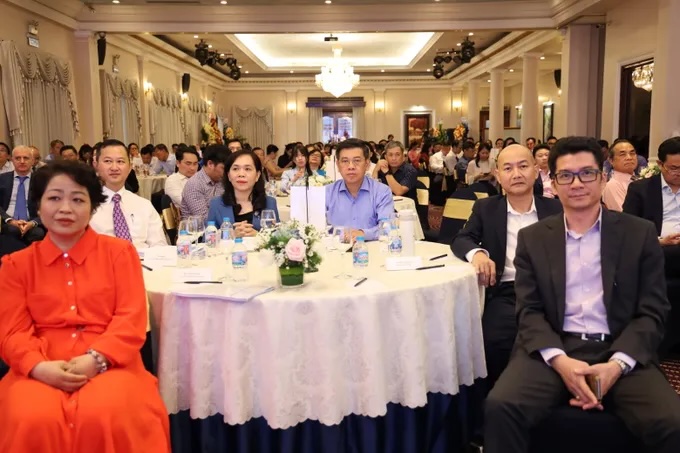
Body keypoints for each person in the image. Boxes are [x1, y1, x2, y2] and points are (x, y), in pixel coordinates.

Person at [484, 136, 680, 453]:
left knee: (672, 422)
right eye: (566, 175)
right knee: (501, 407)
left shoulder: (638, 233)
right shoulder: (533, 238)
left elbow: (653, 311)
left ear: (602, 178)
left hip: (621, 345)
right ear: (553, 183)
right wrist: (560, 361)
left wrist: (616, 365)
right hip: (554, 347)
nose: (577, 183)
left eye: (587, 173)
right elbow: (529, 311)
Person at [0, 160, 170, 452]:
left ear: (92, 208)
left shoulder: (120, 253)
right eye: (54, 198)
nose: (65, 208)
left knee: (107, 412)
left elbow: (130, 318)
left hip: (112, 362)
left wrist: (98, 358)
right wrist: (37, 366)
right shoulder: (16, 265)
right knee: (32, 416)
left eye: (78, 199)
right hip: (39, 363)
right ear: (38, 206)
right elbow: (12, 331)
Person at [453, 144, 562, 395]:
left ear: (535, 170)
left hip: (550, 293)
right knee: (494, 343)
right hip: (506, 292)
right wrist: (478, 253)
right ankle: (499, 401)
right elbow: (461, 239)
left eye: (523, 166)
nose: (517, 174)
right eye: (508, 168)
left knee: (556, 341)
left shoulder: (555, 209)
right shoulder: (487, 209)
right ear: (498, 175)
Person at [623, 136, 680, 354]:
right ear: (661, 165)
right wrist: (660, 241)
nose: (679, 173)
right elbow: (628, 230)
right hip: (656, 249)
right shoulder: (641, 189)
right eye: (674, 168)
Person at [89, 139, 166, 250]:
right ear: (96, 166)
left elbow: (159, 246)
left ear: (130, 167)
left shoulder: (144, 205)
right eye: (108, 161)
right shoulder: (86, 206)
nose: (114, 167)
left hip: (142, 260)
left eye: (120, 161)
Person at [325, 138, 394, 241]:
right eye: (345, 161)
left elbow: (387, 227)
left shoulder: (382, 191)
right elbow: (317, 228)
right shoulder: (327, 192)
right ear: (338, 165)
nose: (351, 166)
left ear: (367, 164)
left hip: (372, 248)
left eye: (357, 161)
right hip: (335, 248)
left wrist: (363, 234)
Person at [207, 149, 278, 236]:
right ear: (229, 175)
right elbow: (207, 239)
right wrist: (230, 235)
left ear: (257, 175)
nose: (241, 174)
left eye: (247, 169)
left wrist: (259, 235)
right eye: (235, 169)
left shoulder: (269, 202)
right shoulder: (216, 204)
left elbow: (278, 238)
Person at [0, 145, 46, 245]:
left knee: (38, 233)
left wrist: (32, 223)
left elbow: (47, 207)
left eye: (26, 158)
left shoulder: (42, 181)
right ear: (12, 160)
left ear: (32, 161)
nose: (22, 161)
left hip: (32, 223)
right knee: (11, 231)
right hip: (7, 222)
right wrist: (9, 220)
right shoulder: (2, 179)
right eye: (18, 158)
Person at [180, 144, 230, 220]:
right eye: (224, 168)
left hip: (222, 224)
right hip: (197, 226)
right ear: (210, 164)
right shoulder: (194, 184)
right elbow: (204, 219)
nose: (228, 173)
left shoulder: (222, 181)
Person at [602, 139, 637, 211]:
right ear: (611, 160)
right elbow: (624, 215)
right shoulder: (612, 186)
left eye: (632, 153)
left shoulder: (639, 180)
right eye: (622, 154)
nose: (629, 158)